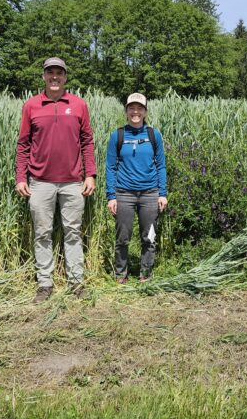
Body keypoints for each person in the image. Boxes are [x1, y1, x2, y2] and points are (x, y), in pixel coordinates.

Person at [15, 57, 96, 302]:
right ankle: (45, 284)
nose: (54, 77)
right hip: (40, 182)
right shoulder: (31, 106)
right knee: (42, 233)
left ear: (65, 77)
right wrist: (21, 177)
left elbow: (87, 142)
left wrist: (90, 174)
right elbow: (23, 144)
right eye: (50, 72)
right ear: (43, 76)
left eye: (58, 73)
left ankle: (76, 283)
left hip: (72, 181)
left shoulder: (79, 105)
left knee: (73, 232)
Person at [105, 93, 168, 283]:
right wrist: (111, 196)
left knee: (149, 237)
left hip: (150, 194)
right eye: (131, 108)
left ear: (145, 112)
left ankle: (145, 274)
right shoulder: (118, 135)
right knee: (123, 238)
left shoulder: (153, 134)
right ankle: (120, 274)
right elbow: (110, 167)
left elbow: (161, 165)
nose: (135, 112)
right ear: (126, 111)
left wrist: (162, 193)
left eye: (139, 108)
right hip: (124, 194)